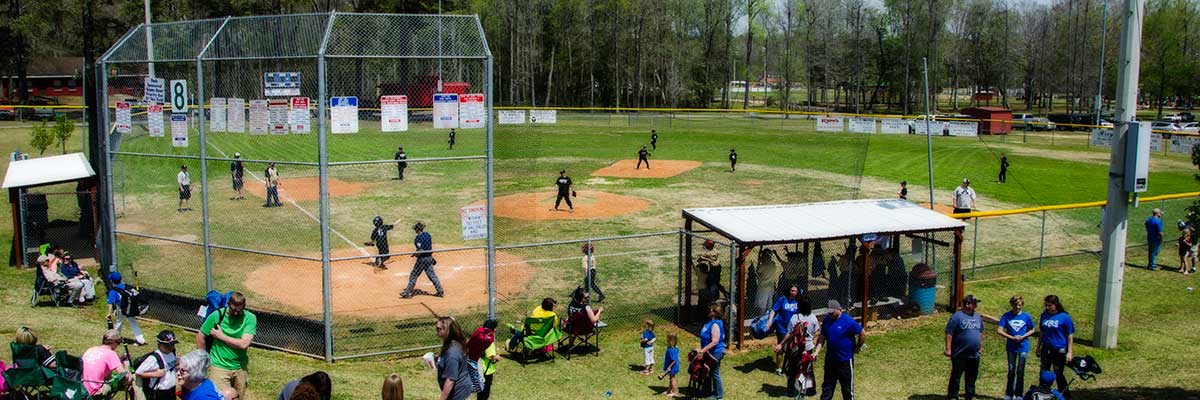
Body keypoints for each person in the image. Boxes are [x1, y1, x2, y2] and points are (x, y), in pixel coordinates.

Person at [196, 291, 257, 400]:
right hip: (219, 366)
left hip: (240, 367)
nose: (235, 313)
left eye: (239, 310)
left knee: (238, 397)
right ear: (228, 304)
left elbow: (244, 344)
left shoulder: (250, 318)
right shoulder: (217, 315)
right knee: (220, 397)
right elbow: (201, 336)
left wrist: (221, 336)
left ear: (244, 307)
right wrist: (203, 359)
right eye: (233, 309)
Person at [817, 300, 864, 400]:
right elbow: (822, 336)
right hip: (830, 360)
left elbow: (862, 333)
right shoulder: (827, 320)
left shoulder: (848, 321)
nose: (830, 313)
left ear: (839, 309)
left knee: (847, 389)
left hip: (845, 361)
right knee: (827, 388)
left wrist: (858, 347)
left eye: (832, 311)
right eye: (828, 311)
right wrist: (816, 351)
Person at [775, 295, 820, 399]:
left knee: (793, 370)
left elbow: (789, 334)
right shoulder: (813, 317)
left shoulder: (795, 318)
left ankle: (791, 391)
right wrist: (811, 339)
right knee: (808, 370)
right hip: (808, 348)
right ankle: (810, 391)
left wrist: (781, 344)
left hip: (796, 349)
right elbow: (817, 331)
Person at [945, 295, 985, 400]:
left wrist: (980, 346)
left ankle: (970, 394)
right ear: (967, 304)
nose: (976, 305)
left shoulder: (977, 316)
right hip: (960, 353)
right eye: (974, 303)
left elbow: (981, 332)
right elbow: (949, 333)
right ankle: (953, 395)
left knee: (972, 375)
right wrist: (948, 349)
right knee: (956, 375)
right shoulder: (957, 317)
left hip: (974, 353)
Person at [1037, 294, 1074, 399]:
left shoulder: (1065, 317)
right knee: (1044, 372)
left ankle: (1064, 396)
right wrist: (1038, 346)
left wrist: (1069, 352)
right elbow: (1042, 332)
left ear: (1055, 305)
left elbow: (1069, 335)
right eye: (1046, 305)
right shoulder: (1044, 315)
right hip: (1046, 348)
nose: (1047, 308)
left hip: (1059, 349)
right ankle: (1043, 393)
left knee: (1058, 373)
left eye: (1049, 305)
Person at [999, 296, 1036, 400]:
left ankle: (1019, 394)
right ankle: (1009, 393)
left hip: (1023, 347)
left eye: (1019, 305)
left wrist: (1023, 337)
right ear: (1012, 304)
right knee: (1011, 370)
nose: (1017, 307)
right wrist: (1011, 337)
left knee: (1020, 371)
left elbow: (1032, 329)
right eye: (1015, 305)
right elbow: (1000, 330)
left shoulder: (1026, 316)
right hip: (1011, 347)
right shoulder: (1006, 316)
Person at [81, 329, 133, 397]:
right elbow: (125, 376)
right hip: (95, 391)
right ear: (113, 342)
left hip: (82, 388)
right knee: (125, 382)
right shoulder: (110, 353)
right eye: (118, 342)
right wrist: (127, 365)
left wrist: (119, 360)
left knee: (109, 376)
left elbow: (100, 366)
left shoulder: (91, 349)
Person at [401, 222, 444, 298]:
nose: (415, 230)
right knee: (432, 276)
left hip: (422, 260)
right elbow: (427, 247)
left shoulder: (418, 238)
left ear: (417, 229)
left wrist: (414, 254)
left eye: (415, 229)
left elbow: (421, 251)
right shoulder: (428, 235)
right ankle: (440, 291)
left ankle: (408, 293)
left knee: (413, 275)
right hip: (429, 258)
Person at [135, 330, 180, 400]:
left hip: (171, 389)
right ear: (159, 344)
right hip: (159, 392)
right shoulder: (154, 358)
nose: (170, 347)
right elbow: (139, 372)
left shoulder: (172, 353)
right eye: (167, 345)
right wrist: (155, 374)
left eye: (172, 344)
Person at [767, 285, 801, 375]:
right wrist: (770, 320)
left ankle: (788, 367)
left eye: (795, 291)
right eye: (792, 290)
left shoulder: (798, 301)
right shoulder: (782, 299)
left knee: (791, 349)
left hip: (793, 329)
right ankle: (778, 368)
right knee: (781, 347)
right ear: (789, 290)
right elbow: (773, 310)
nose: (793, 292)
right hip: (782, 327)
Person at [435, 316, 472, 400]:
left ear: (447, 330)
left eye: (438, 328)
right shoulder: (450, 343)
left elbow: (450, 380)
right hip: (457, 390)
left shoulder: (452, 353)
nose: (436, 330)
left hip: (457, 393)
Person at [106, 271, 146, 345]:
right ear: (121, 279)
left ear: (111, 281)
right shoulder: (126, 286)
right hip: (130, 307)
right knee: (133, 322)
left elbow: (110, 303)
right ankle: (141, 339)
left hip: (121, 308)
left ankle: (114, 337)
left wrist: (109, 313)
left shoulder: (113, 291)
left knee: (119, 322)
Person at [696, 303, 726, 399]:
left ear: (713, 312)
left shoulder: (715, 324)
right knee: (707, 372)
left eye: (709, 310)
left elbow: (715, 341)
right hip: (709, 352)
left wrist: (702, 350)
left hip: (716, 352)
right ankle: (707, 391)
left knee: (714, 373)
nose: (708, 312)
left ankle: (718, 395)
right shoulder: (709, 322)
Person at [755, 248, 784, 315]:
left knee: (762, 306)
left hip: (763, 288)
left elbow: (757, 272)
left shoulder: (763, 265)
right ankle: (767, 318)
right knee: (769, 306)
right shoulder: (773, 264)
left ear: (766, 256)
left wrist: (759, 262)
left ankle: (761, 318)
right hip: (771, 288)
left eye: (763, 255)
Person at [477, 320, 500, 400]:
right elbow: (490, 356)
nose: (496, 330)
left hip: (479, 368)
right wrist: (497, 357)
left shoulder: (480, 337)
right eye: (495, 328)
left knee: (480, 392)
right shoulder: (489, 341)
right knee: (485, 393)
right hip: (487, 370)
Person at [657, 332, 680, 397]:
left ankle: (675, 392)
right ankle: (669, 390)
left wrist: (669, 367)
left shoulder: (670, 350)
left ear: (671, 341)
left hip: (672, 366)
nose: (666, 340)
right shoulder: (675, 348)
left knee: (672, 379)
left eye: (668, 339)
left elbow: (674, 360)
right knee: (671, 378)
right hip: (674, 366)